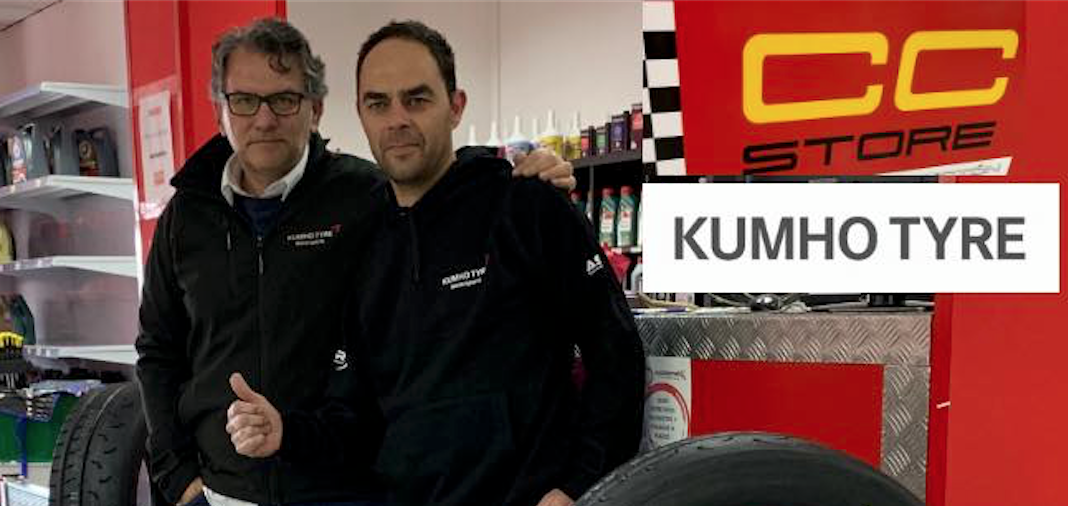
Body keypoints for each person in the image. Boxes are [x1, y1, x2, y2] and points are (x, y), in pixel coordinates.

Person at [135, 18, 575, 506]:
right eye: (243, 100)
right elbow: (158, 351)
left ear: (316, 109)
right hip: (223, 490)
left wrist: (524, 176)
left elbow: (439, 186)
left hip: (348, 488)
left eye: (284, 99)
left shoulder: (367, 195)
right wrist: (178, 478)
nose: (264, 119)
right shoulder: (185, 217)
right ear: (221, 111)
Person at [224, 20, 646, 506]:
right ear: (360, 113)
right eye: (378, 103)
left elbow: (615, 354)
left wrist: (579, 486)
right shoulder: (363, 246)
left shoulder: (526, 207)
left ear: (455, 106)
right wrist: (287, 431)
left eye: (417, 99)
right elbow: (356, 417)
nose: (397, 119)